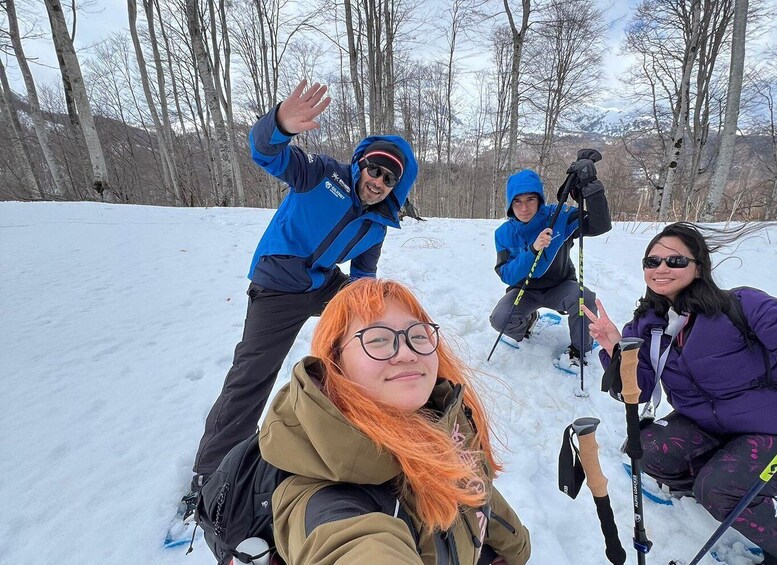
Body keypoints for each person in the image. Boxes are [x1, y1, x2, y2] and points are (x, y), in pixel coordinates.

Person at [183, 79, 418, 516]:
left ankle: (368, 423)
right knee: (252, 374)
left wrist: (372, 310)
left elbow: (363, 275)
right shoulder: (321, 174)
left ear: (395, 188)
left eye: (389, 177)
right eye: (374, 168)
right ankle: (208, 475)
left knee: (374, 331)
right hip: (277, 285)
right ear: (360, 165)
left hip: (322, 282)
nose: (378, 180)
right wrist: (279, 125)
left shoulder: (377, 224)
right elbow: (267, 154)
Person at [258, 278, 531, 564]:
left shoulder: (441, 415)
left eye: (418, 336)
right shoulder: (328, 502)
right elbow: (352, 547)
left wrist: (517, 550)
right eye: (377, 339)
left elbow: (475, 488)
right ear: (335, 361)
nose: (407, 353)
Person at [585, 222, 777, 562]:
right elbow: (639, 391)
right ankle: (723, 479)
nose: (661, 269)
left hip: (767, 428)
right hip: (704, 424)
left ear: (698, 266)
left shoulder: (742, 306)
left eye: (674, 261)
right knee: (641, 449)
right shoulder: (647, 324)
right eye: (652, 261)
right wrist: (615, 350)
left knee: (715, 490)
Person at [489, 166, 611, 365]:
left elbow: (600, 225)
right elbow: (507, 275)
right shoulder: (503, 233)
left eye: (530, 199)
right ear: (510, 204)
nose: (524, 208)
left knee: (584, 299)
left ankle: (580, 349)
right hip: (524, 290)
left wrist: (592, 190)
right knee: (500, 319)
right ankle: (528, 322)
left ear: (539, 199)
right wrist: (533, 251)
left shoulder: (559, 216)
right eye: (517, 201)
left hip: (560, 286)